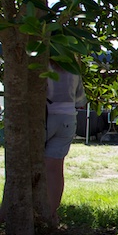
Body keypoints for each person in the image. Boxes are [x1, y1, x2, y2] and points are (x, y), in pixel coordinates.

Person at [45, 62, 87, 224]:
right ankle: (51, 212)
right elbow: (80, 98)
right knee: (55, 169)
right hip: (68, 116)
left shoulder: (42, 62)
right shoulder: (73, 66)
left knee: (37, 165)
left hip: (47, 114)